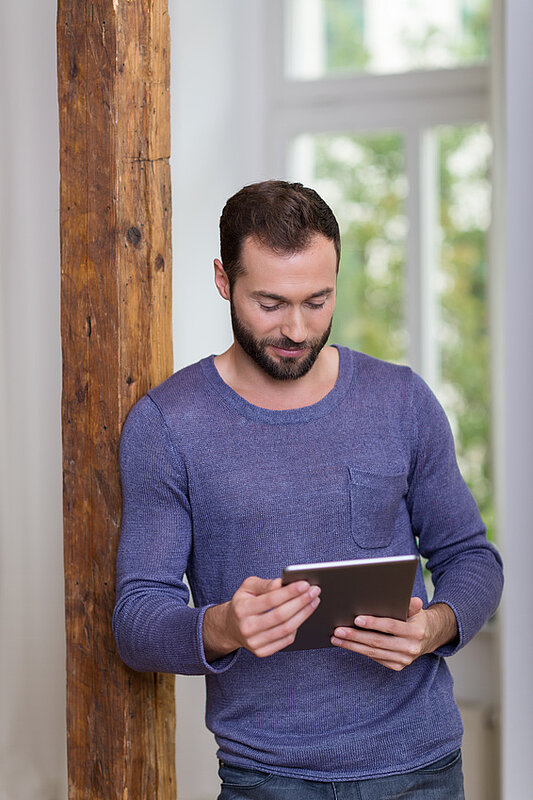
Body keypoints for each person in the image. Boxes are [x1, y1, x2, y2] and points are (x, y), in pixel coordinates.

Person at [113, 180, 503, 799]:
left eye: (318, 301)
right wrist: (222, 627)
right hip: (266, 778)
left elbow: (472, 558)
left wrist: (434, 626)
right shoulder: (167, 424)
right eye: (270, 303)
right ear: (223, 279)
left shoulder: (400, 401)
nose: (296, 329)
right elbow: (136, 619)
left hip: (421, 768)